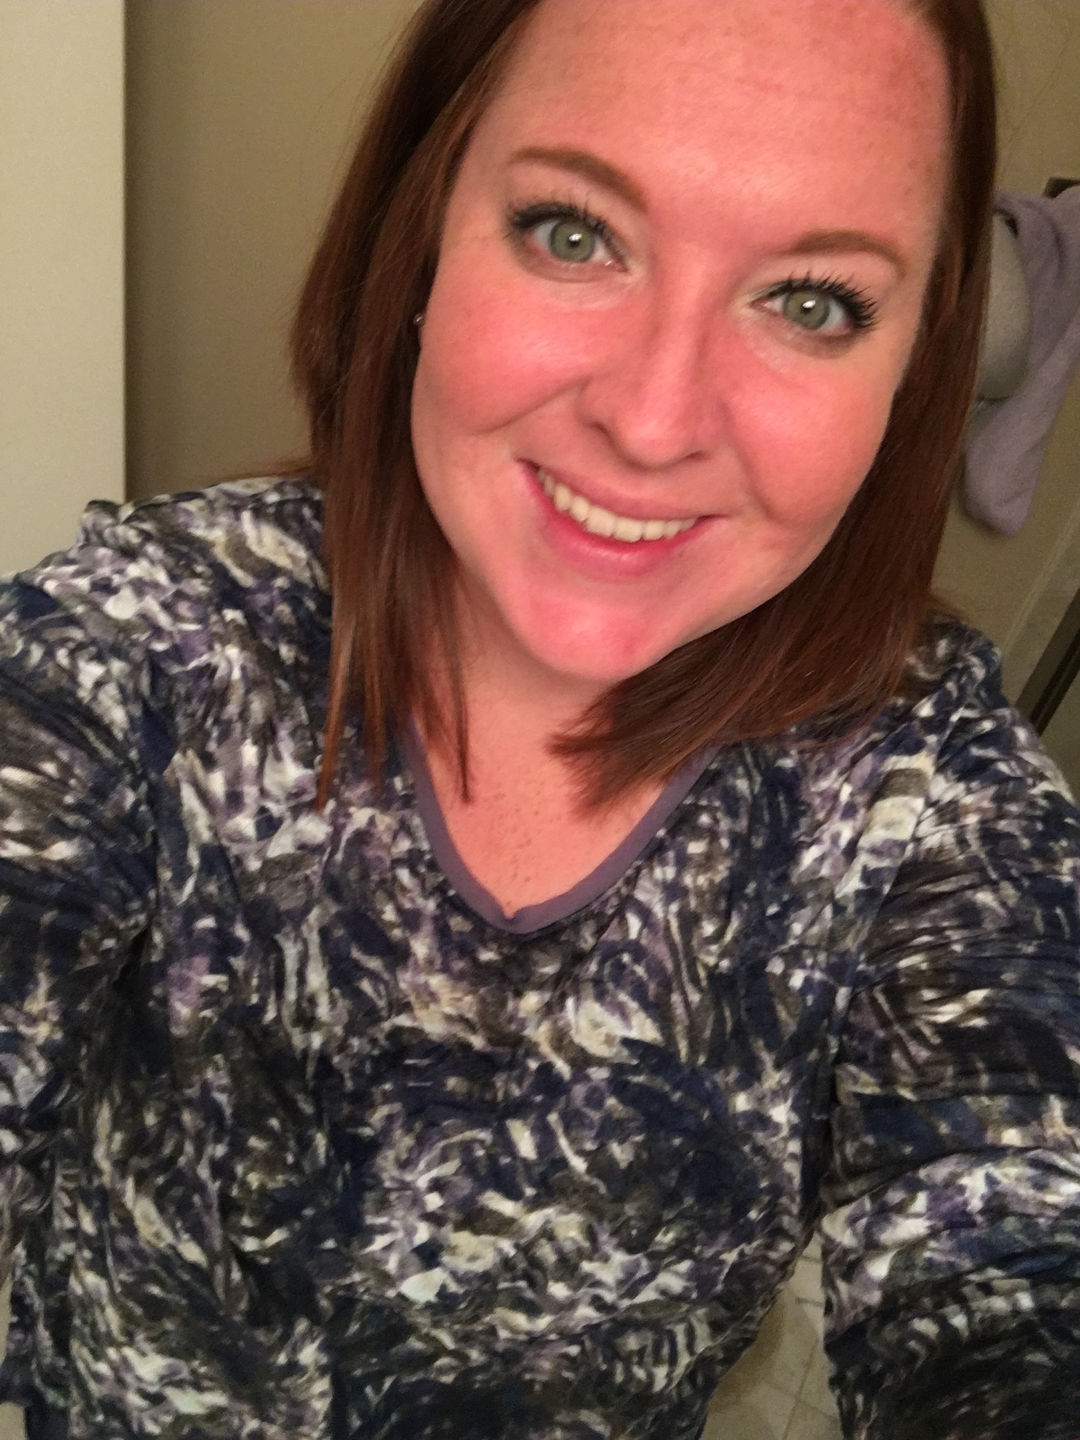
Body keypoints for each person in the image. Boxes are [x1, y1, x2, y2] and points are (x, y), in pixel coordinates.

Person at [0, 0, 1077, 1436]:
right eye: (575, 232)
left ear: (914, 367)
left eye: (813, 300)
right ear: (422, 236)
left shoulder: (926, 798)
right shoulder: (143, 645)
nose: (653, 420)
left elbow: (1014, 1260)